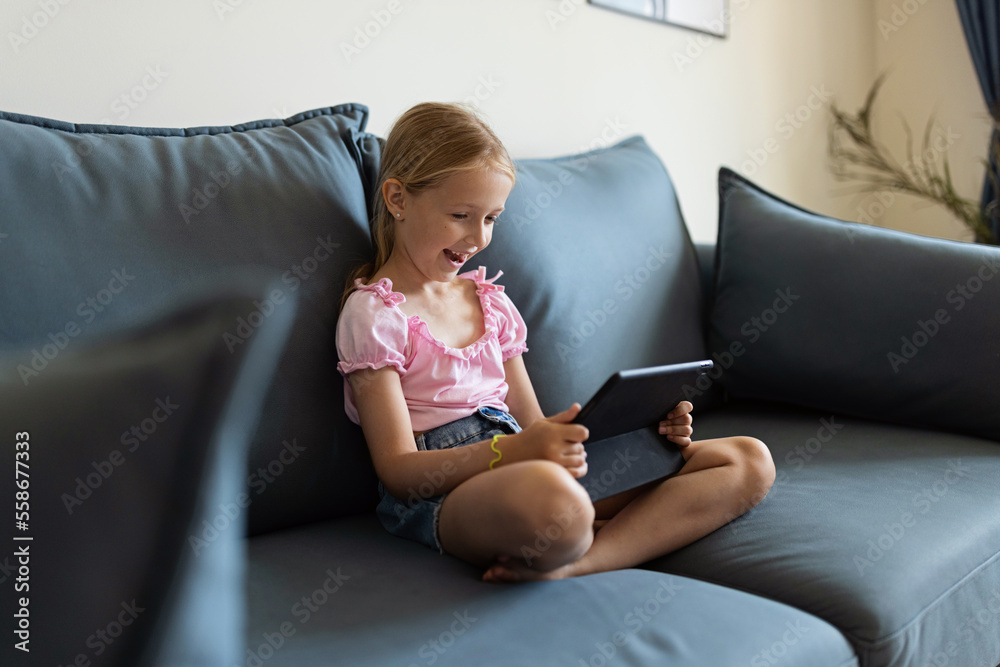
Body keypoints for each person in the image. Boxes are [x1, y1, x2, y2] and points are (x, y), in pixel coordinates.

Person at [336, 102, 775, 583]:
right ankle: (592, 531)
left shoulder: (490, 303)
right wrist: (517, 452)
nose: (478, 237)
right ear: (398, 199)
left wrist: (644, 433)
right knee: (555, 504)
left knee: (748, 459)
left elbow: (534, 424)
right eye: (461, 214)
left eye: (491, 218)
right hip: (443, 492)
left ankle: (584, 560)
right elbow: (399, 472)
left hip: (526, 462)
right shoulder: (376, 315)